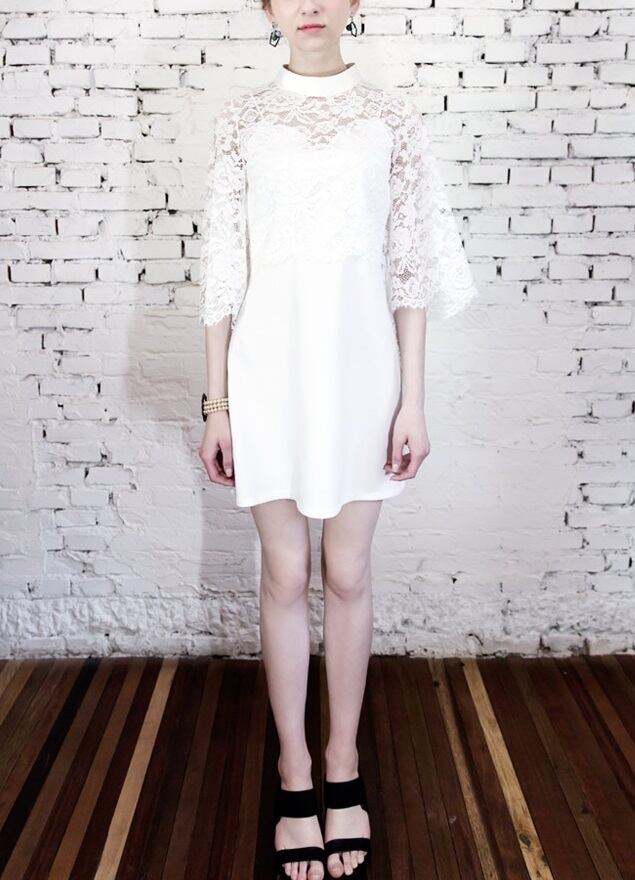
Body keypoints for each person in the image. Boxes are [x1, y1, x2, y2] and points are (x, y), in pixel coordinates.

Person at [197, 0, 479, 875]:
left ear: (354, 3)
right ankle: (293, 773)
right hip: (266, 375)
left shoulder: (390, 116)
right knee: (285, 573)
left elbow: (409, 270)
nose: (310, 5)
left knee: (348, 572)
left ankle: (342, 765)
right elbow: (221, 267)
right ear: (268, 8)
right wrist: (217, 404)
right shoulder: (244, 117)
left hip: (364, 374)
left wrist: (413, 401)